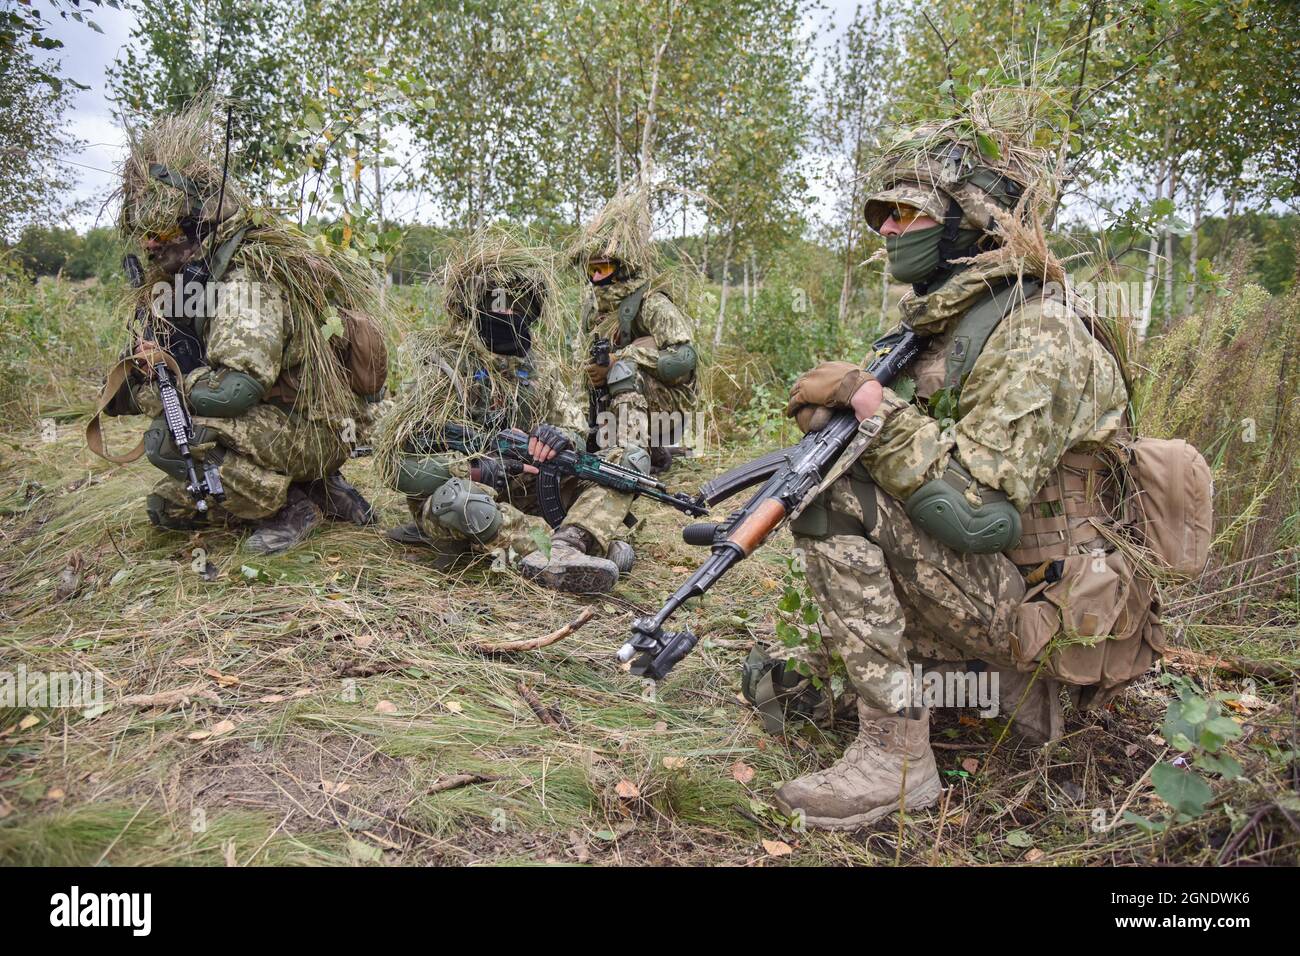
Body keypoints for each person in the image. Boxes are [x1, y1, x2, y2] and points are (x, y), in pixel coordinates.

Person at [773, 107, 1159, 830]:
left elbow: (977, 516)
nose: (885, 228)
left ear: (967, 220)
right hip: (999, 592)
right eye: (878, 213)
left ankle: (897, 758)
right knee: (785, 671)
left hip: (1045, 615)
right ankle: (942, 690)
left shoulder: (1038, 331)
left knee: (838, 496)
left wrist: (870, 409)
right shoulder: (948, 324)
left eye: (905, 210)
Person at [91, 98, 385, 554]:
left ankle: (289, 506)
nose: (150, 245)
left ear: (196, 227)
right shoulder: (182, 286)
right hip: (287, 426)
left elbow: (235, 392)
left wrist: (159, 385)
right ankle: (317, 488)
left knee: (169, 438)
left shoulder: (244, 281)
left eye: (163, 232)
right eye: (145, 234)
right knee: (165, 509)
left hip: (319, 430)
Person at [378, 228, 635, 593]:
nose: (509, 314)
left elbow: (575, 428)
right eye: (498, 304)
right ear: (473, 307)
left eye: (519, 306)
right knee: (460, 501)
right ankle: (570, 548)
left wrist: (560, 437)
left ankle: (572, 543)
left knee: (622, 463)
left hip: (529, 489)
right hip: (468, 495)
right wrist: (475, 468)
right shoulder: (446, 366)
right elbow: (395, 464)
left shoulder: (539, 368)